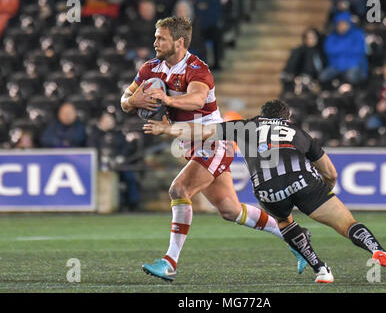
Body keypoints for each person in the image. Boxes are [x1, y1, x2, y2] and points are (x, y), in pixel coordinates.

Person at [144, 99, 386, 284]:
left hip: (267, 191)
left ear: (262, 115)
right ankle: (377, 251)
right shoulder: (297, 131)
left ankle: (321, 270)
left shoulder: (244, 126)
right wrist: (324, 193)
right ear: (286, 117)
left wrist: (166, 128)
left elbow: (201, 132)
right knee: (348, 225)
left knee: (286, 222)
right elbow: (330, 172)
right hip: (305, 183)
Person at [120, 16, 308, 282]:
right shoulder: (151, 68)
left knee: (179, 189)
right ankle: (296, 236)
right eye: (156, 36)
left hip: (213, 141)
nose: (155, 42)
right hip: (190, 143)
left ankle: (170, 261)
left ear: (179, 41)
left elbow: (197, 98)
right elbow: (125, 98)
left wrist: (165, 98)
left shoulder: (197, 69)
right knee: (230, 210)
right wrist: (132, 101)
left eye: (161, 37)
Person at [87, 112, 141, 211]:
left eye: (111, 120)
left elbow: (126, 147)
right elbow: (92, 149)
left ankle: (134, 203)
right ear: (101, 121)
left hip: (118, 165)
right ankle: (118, 203)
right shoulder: (94, 134)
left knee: (129, 175)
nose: (110, 122)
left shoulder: (119, 134)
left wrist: (120, 157)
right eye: (107, 120)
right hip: (99, 166)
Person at [319, 11, 368, 84]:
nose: (341, 26)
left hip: (354, 65)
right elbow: (328, 50)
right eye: (339, 24)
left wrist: (339, 48)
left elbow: (359, 50)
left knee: (351, 76)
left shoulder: (358, 34)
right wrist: (347, 47)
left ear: (349, 24)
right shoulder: (331, 37)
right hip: (335, 66)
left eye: (344, 24)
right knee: (322, 77)